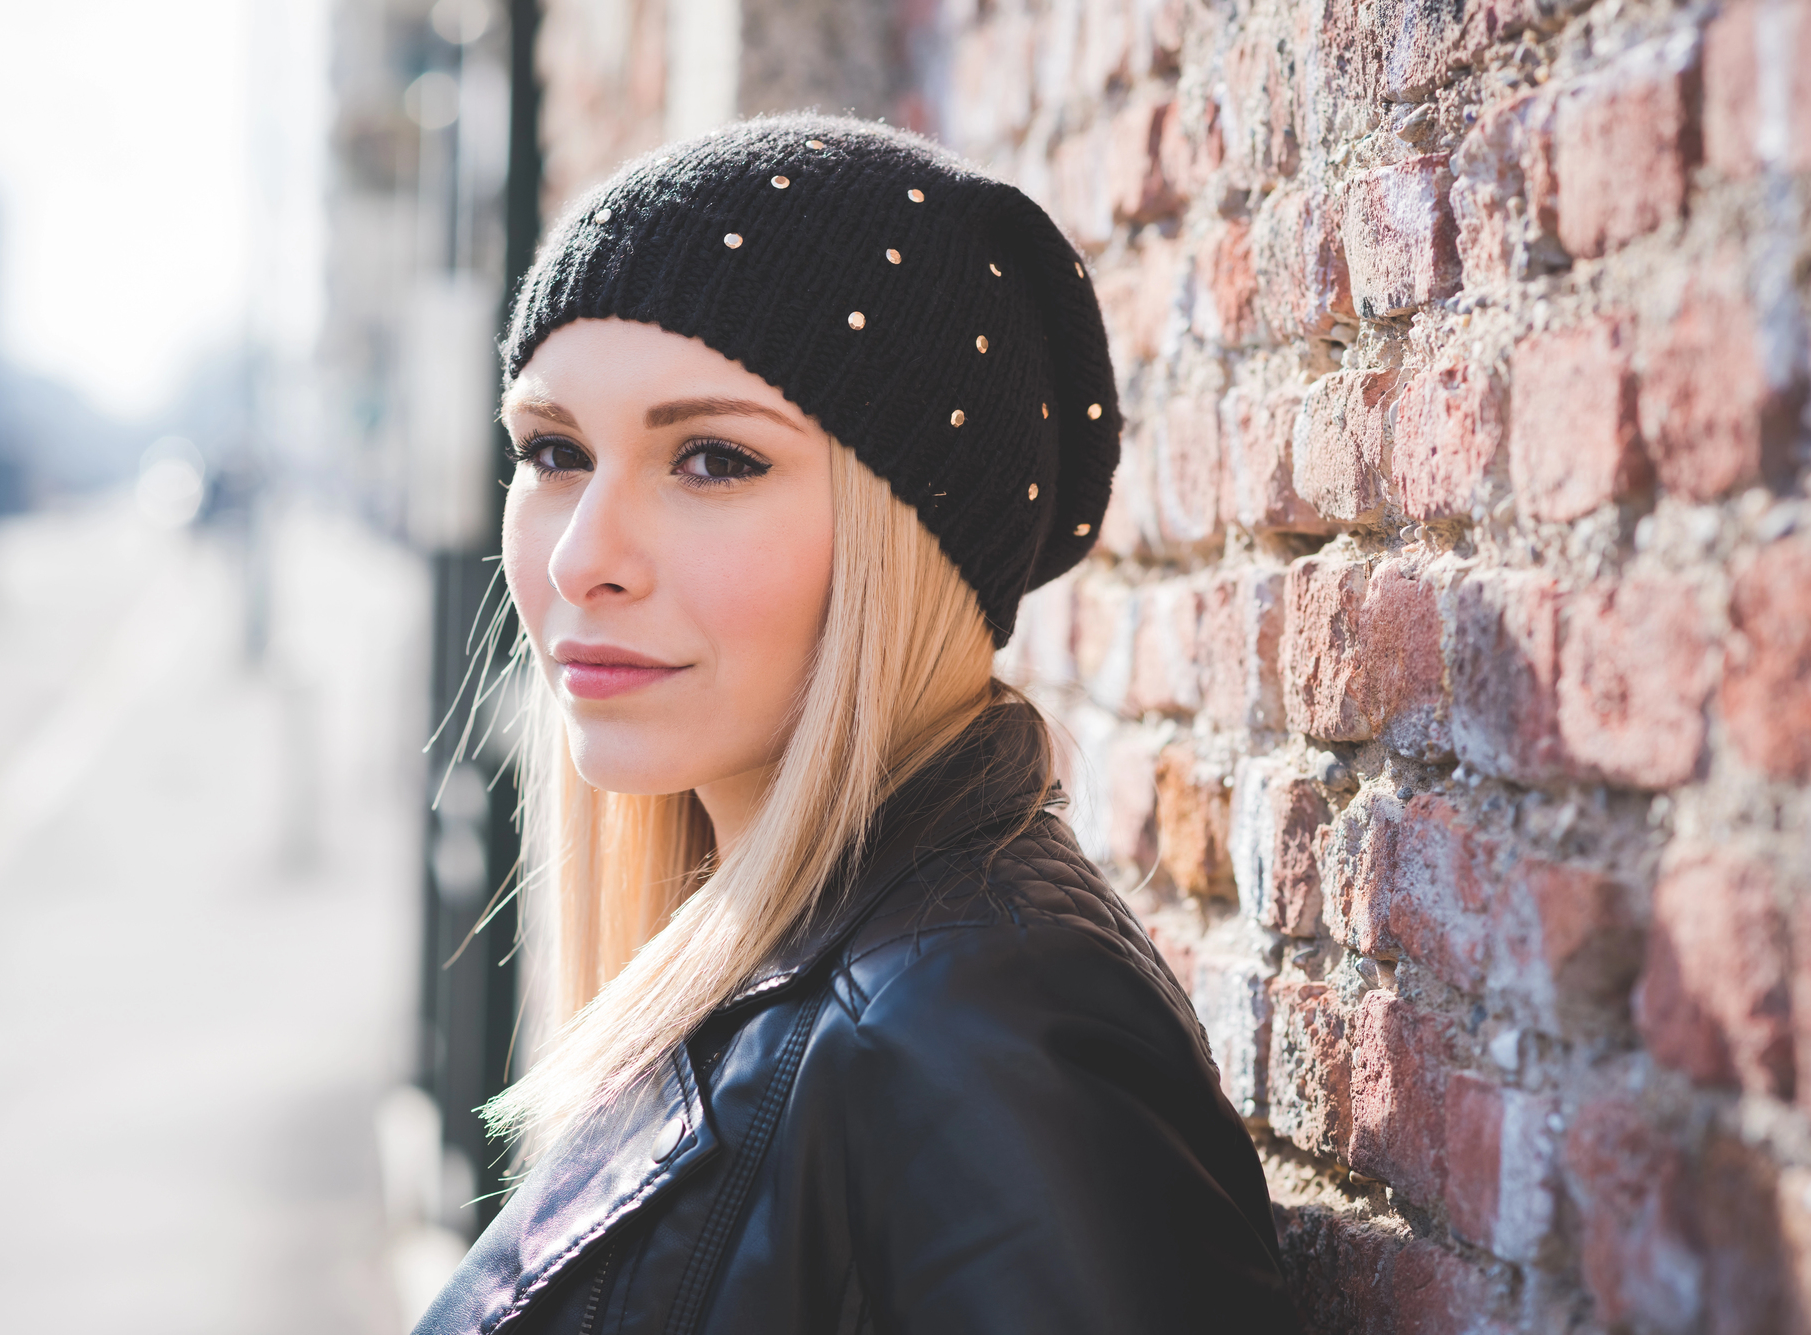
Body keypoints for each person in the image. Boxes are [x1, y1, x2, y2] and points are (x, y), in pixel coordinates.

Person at [415, 116, 1298, 1335]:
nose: (580, 560)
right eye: (553, 449)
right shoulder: (828, 982)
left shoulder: (973, 1030)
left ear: (905, 549)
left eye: (713, 460)